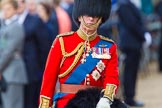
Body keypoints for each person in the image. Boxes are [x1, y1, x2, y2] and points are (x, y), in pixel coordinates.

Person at [39, 0, 120, 108]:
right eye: (88, 15)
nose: (91, 19)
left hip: (96, 103)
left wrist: (106, 98)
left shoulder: (109, 47)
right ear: (79, 16)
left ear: (101, 18)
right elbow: (49, 79)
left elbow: (112, 77)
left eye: (95, 15)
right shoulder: (62, 42)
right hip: (67, 102)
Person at [16, 0, 51, 108]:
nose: (18, 4)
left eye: (21, 2)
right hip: (14, 70)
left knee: (30, 101)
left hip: (31, 69)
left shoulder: (35, 21)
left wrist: (41, 68)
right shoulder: (11, 21)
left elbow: (44, 46)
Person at [117, 0, 151, 107]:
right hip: (129, 43)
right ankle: (128, 97)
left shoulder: (129, 4)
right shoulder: (124, 5)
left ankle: (130, 96)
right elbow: (132, 24)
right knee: (129, 72)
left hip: (134, 43)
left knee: (133, 71)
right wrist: (143, 34)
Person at [0, 0, 27, 108]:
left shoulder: (16, 26)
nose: (5, 12)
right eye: (3, 9)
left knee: (13, 105)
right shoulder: (4, 25)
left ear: (15, 10)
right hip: (5, 72)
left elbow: (8, 52)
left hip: (13, 73)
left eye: (8, 9)